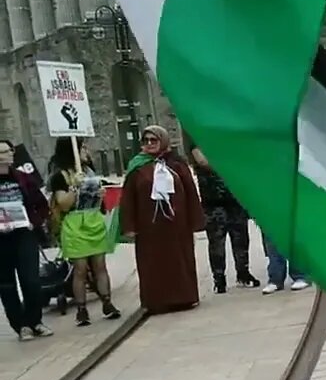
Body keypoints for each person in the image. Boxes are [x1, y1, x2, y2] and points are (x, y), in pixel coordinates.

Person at [120, 126, 204, 314]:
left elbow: (190, 191)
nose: (149, 144)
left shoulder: (176, 164)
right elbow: (128, 199)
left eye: (153, 140)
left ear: (163, 141)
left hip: (177, 226)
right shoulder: (137, 166)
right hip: (149, 228)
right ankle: (157, 301)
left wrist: (195, 220)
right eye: (146, 141)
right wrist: (129, 226)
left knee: (180, 261)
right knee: (153, 265)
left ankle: (185, 297)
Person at [49, 137, 121, 326]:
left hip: (93, 221)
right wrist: (75, 188)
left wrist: (100, 196)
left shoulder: (90, 171)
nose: (86, 151)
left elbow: (101, 204)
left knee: (100, 266)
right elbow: (63, 204)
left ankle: (107, 302)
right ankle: (82, 310)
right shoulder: (60, 176)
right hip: (75, 224)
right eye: (82, 147)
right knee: (80, 269)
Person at [0, 140, 52, 339]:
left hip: (24, 235)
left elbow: (42, 205)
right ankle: (21, 326)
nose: (8, 154)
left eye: (9, 151)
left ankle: (35, 321)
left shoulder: (23, 178)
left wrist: (34, 222)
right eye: (3, 152)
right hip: (2, 240)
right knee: (7, 286)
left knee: (31, 281)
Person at [190, 143, 258, 293]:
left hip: (235, 200)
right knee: (216, 243)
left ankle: (243, 273)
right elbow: (203, 161)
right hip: (213, 203)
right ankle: (219, 278)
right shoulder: (199, 140)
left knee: (241, 239)